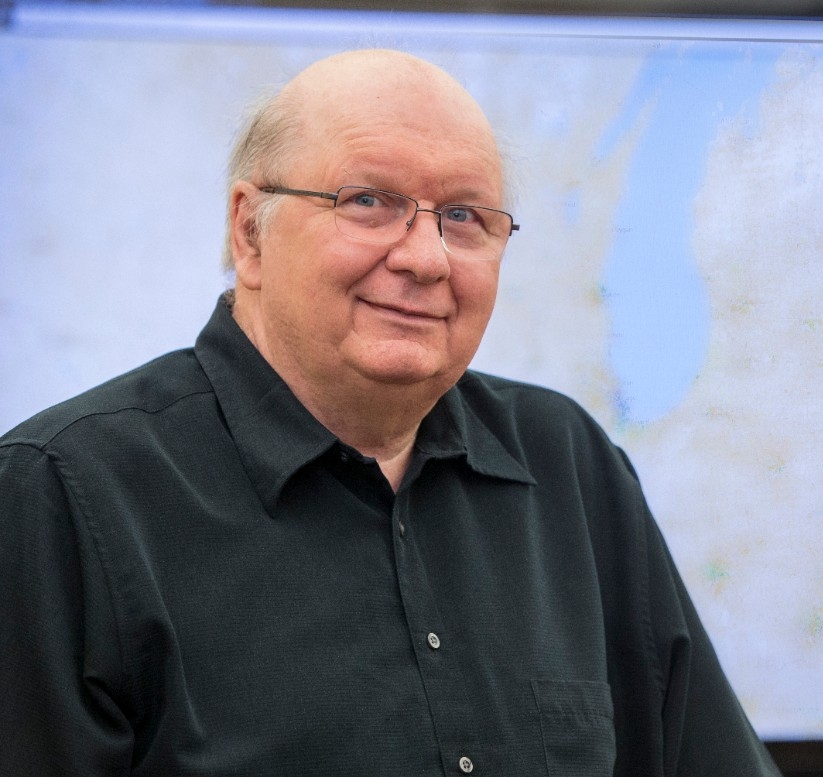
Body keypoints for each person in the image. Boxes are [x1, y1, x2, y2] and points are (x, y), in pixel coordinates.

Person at [0, 49, 781, 776]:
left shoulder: (566, 461)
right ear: (248, 230)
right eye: (368, 202)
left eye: (464, 216)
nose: (425, 257)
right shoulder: (60, 494)